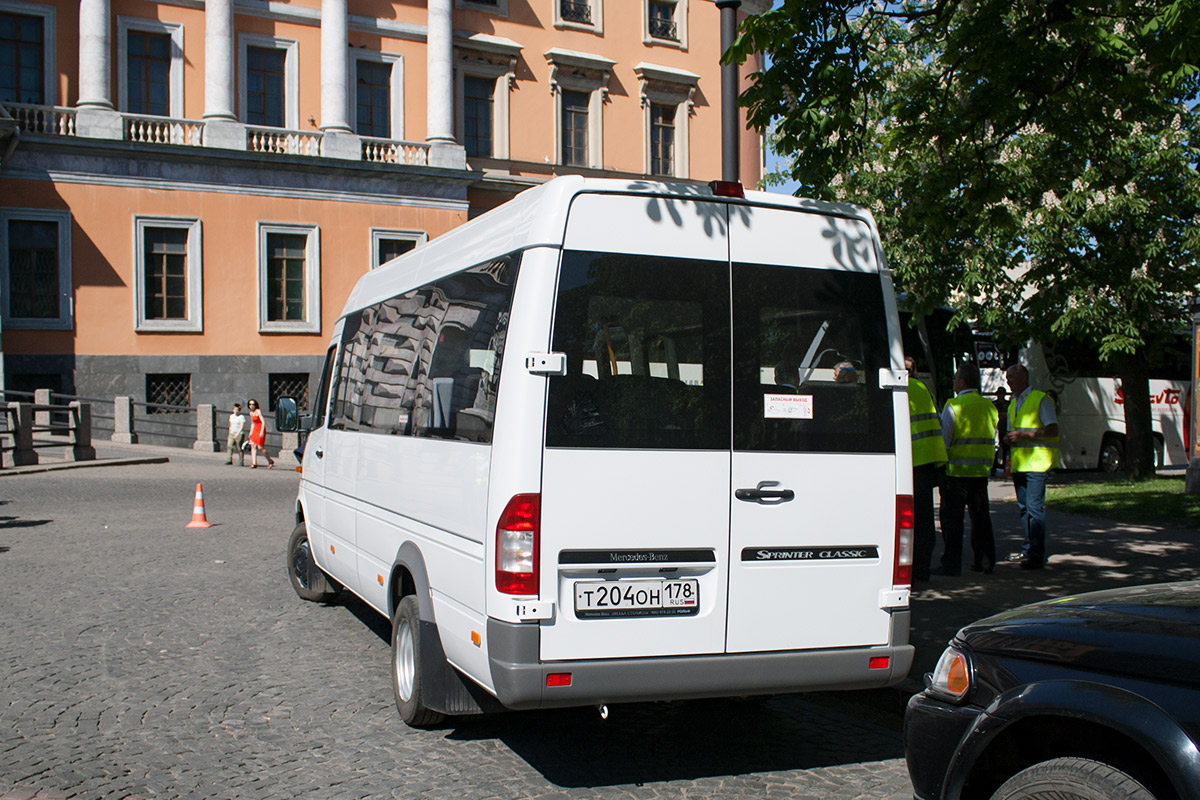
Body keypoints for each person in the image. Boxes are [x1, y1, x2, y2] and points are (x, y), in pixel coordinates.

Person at [936, 364, 998, 575]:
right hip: (980, 473)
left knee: (953, 522)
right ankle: (986, 561)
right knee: (981, 519)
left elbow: (945, 441)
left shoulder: (954, 406)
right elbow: (994, 441)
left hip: (956, 473)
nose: (953, 382)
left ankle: (952, 564)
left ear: (962, 382)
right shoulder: (989, 406)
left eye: (955, 379)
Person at [1003, 364, 1059, 569]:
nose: (1009, 382)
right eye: (1008, 379)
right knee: (1025, 508)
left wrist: (1023, 436)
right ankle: (1028, 549)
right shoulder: (1013, 403)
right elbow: (1014, 431)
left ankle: (1036, 554)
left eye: (1012, 378)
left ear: (1024, 378)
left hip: (1037, 462)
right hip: (1021, 463)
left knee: (1034, 509)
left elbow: (1052, 429)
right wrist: (1009, 439)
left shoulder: (1040, 399)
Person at [906, 356, 947, 583]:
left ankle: (914, 566)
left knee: (908, 517)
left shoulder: (902, 388)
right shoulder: (923, 388)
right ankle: (923, 567)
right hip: (928, 459)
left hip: (911, 459)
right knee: (924, 517)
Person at [246, 399, 275, 469]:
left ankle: (270, 460)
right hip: (255, 430)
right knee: (253, 446)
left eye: (253, 404)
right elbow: (252, 423)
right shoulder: (251, 413)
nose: (251, 406)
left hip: (260, 429)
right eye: (250, 404)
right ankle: (254, 463)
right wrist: (251, 432)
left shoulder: (258, 411)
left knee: (260, 447)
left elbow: (263, 421)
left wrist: (262, 431)